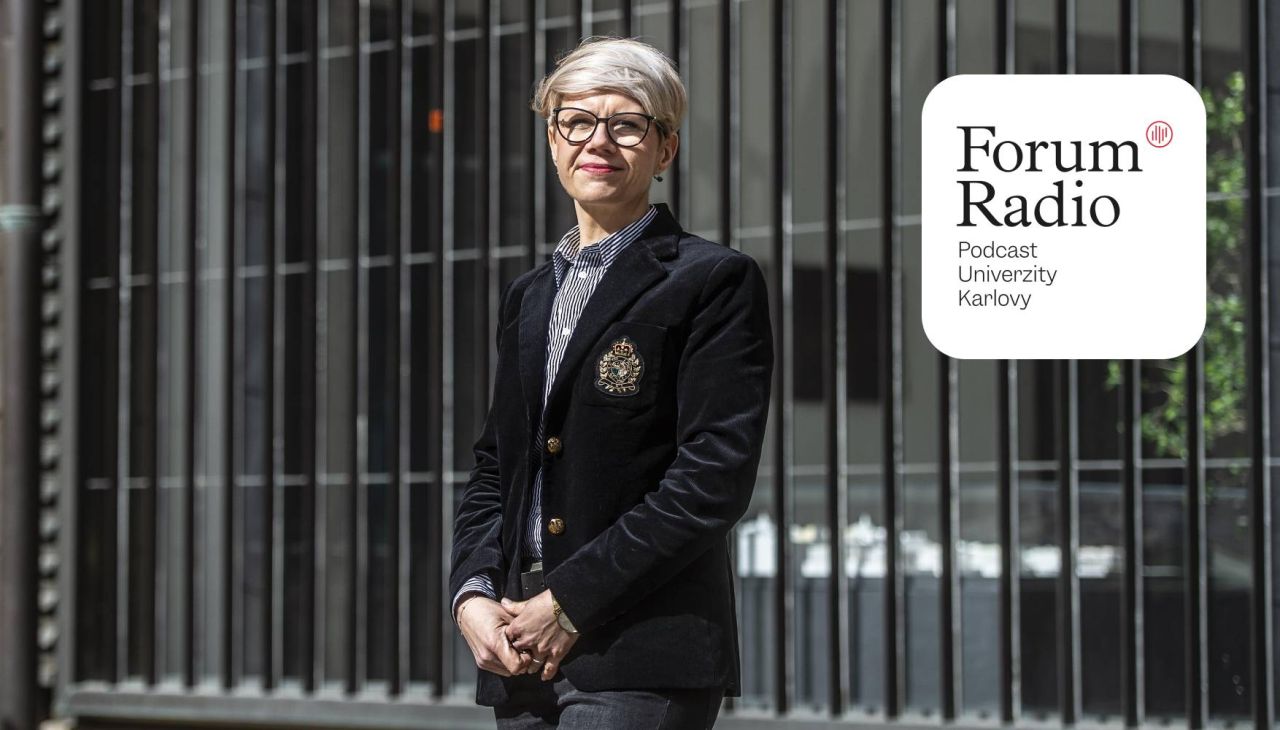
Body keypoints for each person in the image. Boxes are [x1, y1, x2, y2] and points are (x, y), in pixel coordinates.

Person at [449, 36, 773, 729]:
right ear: (553, 139)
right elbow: (496, 467)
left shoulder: (712, 281)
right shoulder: (529, 296)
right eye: (576, 121)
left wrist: (569, 601)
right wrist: (471, 592)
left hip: (641, 654)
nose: (598, 141)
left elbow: (711, 479)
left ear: (665, 150)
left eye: (627, 124)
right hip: (520, 649)